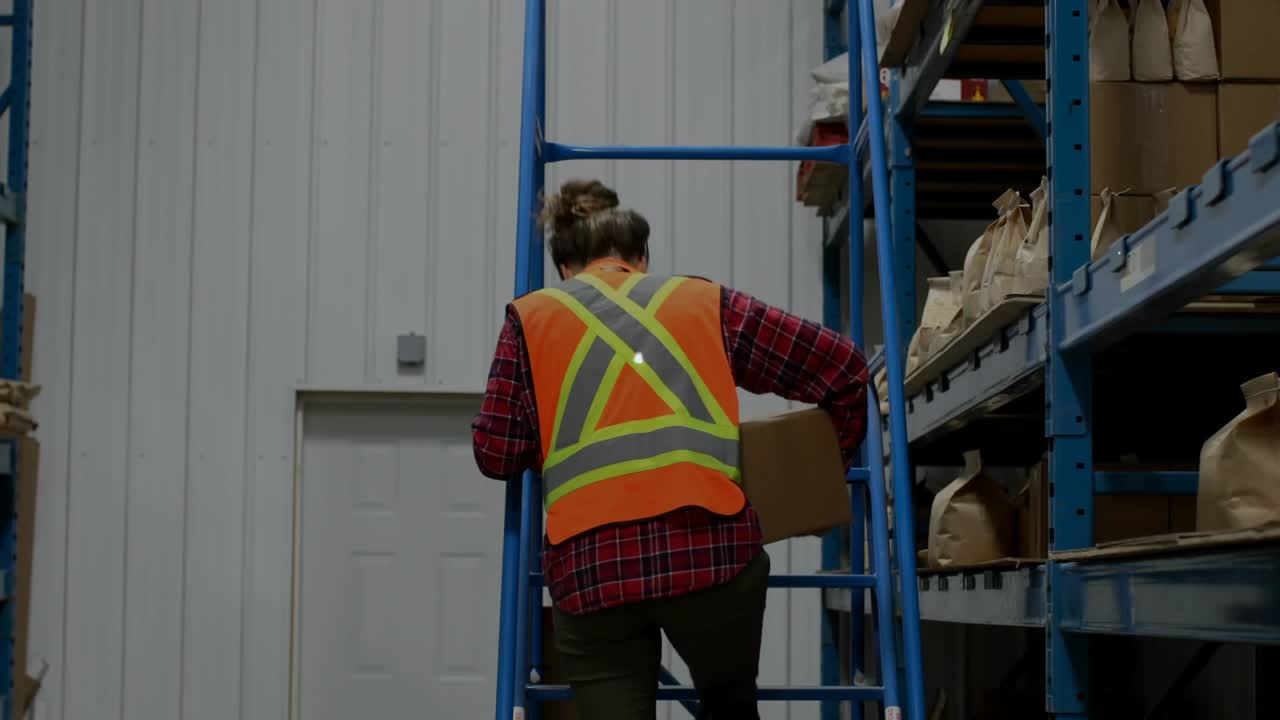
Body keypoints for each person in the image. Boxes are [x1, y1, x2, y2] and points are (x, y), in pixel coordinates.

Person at [472, 179, 869, 720]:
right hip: (711, 559)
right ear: (640, 259)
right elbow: (845, 368)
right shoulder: (703, 302)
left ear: (564, 266)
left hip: (591, 571)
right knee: (729, 705)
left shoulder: (531, 318)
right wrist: (823, 479)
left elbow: (495, 453)